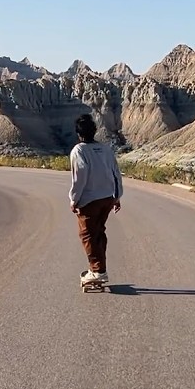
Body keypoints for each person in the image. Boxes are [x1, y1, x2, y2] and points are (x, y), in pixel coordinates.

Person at [68, 114, 123, 285]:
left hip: (89, 200)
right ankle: (97, 268)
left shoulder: (79, 150)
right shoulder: (105, 149)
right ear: (94, 131)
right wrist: (117, 196)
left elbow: (79, 177)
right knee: (99, 233)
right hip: (107, 198)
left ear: (78, 134)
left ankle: (98, 271)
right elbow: (116, 173)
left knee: (88, 235)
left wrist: (74, 199)